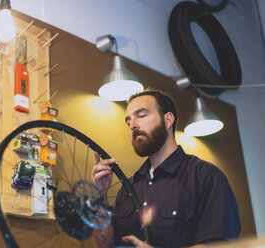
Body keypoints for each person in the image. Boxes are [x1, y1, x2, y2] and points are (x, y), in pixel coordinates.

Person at [92, 89, 241, 248]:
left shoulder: (206, 176)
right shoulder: (128, 187)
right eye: (128, 122)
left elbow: (219, 245)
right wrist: (99, 198)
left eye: (141, 116)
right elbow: (104, 245)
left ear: (168, 120)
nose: (133, 125)